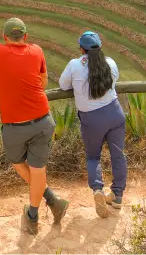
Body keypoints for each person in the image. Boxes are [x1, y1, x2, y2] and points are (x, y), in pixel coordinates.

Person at [0, 18, 69, 235]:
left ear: (4, 37)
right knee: (38, 171)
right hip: (43, 119)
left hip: (15, 125)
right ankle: (41, 211)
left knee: (18, 163)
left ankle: (45, 206)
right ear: (25, 37)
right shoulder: (36, 51)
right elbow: (43, 81)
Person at [58, 31, 127, 217]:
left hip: (91, 119)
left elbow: (63, 85)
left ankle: (97, 189)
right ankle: (118, 196)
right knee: (118, 155)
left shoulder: (74, 65)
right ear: (100, 48)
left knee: (93, 157)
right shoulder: (110, 63)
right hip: (114, 114)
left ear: (82, 49)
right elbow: (115, 80)